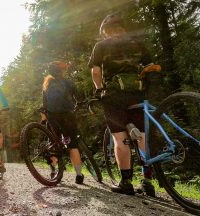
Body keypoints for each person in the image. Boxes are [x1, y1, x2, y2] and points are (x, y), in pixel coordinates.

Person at [88, 14, 155, 196]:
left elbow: (95, 71)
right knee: (141, 136)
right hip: (137, 94)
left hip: (114, 95)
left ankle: (126, 182)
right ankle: (147, 181)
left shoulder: (101, 45)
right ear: (123, 28)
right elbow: (150, 66)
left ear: (105, 31)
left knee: (120, 139)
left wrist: (100, 89)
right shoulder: (136, 43)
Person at [42, 61, 84, 184]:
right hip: (67, 115)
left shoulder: (46, 84)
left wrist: (44, 119)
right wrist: (78, 105)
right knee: (72, 145)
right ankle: (79, 175)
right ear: (62, 71)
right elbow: (79, 98)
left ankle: (53, 171)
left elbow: (44, 104)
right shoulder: (68, 82)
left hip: (52, 117)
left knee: (53, 143)